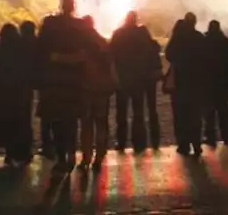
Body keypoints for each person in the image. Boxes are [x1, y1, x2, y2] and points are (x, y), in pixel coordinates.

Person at [36, 0, 90, 171]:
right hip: (74, 81)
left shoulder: (49, 24)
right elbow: (87, 52)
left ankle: (61, 156)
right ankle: (71, 153)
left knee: (56, 120)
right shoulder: (81, 26)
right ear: (73, 6)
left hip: (54, 81)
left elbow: (41, 49)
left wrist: (56, 58)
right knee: (72, 120)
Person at [110, 11, 162, 152]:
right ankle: (139, 142)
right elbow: (151, 50)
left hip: (123, 78)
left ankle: (121, 141)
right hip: (139, 78)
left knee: (121, 113)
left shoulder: (118, 34)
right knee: (138, 112)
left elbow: (111, 56)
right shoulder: (142, 33)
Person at [164, 14, 207, 157]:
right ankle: (197, 143)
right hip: (197, 82)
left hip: (180, 82)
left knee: (180, 115)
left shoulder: (178, 38)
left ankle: (183, 144)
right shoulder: (199, 38)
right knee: (195, 115)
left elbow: (169, 54)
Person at [79, 16, 117, 170]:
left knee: (86, 124)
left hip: (86, 89)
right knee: (101, 123)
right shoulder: (103, 42)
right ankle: (100, 156)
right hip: (102, 90)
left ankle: (86, 157)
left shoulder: (81, 44)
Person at [0, 24, 34, 164]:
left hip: (5, 92)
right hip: (22, 92)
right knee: (23, 122)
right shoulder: (21, 51)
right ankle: (24, 152)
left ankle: (10, 153)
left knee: (9, 122)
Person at [201, 20, 228, 147]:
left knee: (209, 112)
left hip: (208, 82)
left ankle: (211, 136)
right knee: (223, 111)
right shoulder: (226, 43)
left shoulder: (204, 42)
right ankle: (226, 137)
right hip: (223, 82)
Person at [18, 21, 40, 161]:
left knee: (20, 117)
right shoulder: (37, 44)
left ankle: (17, 151)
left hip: (18, 83)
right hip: (31, 83)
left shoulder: (17, 44)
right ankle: (27, 149)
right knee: (27, 116)